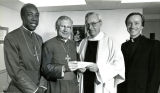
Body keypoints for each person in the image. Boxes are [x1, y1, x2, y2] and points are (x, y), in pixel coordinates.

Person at [77, 12, 125, 93]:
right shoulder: (83, 42)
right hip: (85, 82)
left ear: (100, 23)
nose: (90, 27)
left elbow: (119, 65)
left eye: (93, 23)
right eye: (87, 24)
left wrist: (99, 68)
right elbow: (79, 61)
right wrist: (79, 68)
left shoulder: (111, 42)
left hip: (102, 85)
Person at [4, 3, 47, 93]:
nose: (34, 19)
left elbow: (43, 66)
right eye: (30, 15)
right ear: (22, 17)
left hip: (39, 87)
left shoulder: (39, 38)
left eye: (37, 15)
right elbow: (14, 71)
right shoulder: (11, 37)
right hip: (19, 89)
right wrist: (34, 90)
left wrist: (42, 85)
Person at [117, 12, 160, 93]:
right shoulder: (124, 46)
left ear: (142, 26)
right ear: (126, 26)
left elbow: (155, 76)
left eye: (136, 23)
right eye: (129, 23)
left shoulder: (154, 44)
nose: (132, 26)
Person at [41, 16, 79, 93]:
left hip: (73, 85)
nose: (65, 29)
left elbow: (77, 62)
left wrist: (80, 68)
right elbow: (44, 68)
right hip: (56, 86)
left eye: (68, 27)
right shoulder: (48, 44)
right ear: (57, 27)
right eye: (62, 26)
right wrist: (63, 68)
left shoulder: (73, 44)